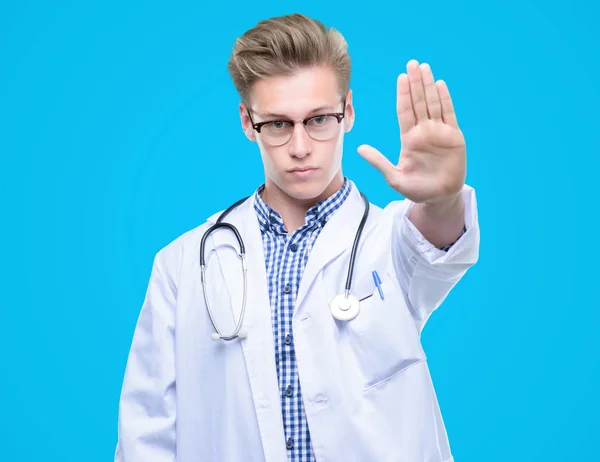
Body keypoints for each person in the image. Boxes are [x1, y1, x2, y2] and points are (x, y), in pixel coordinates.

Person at [114, 12, 480, 462]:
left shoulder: (390, 240)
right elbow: (146, 432)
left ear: (348, 111)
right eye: (279, 124)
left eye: (319, 119)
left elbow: (437, 246)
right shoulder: (184, 263)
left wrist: (442, 199)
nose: (301, 146)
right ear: (248, 123)